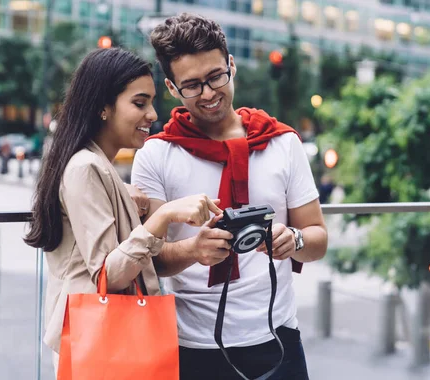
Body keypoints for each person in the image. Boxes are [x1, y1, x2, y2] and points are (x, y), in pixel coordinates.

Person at [131, 13, 328, 380]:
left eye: (215, 77)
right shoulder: (155, 156)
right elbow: (149, 261)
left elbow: (317, 239)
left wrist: (294, 239)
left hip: (278, 338)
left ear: (232, 66)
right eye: (191, 85)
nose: (208, 93)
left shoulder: (282, 143)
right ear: (172, 88)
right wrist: (193, 251)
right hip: (190, 345)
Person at [23, 47, 222, 376]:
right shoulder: (85, 166)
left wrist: (124, 196)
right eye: (139, 103)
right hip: (98, 340)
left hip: (101, 335)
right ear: (103, 107)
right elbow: (107, 275)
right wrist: (162, 216)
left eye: (151, 102)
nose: (152, 114)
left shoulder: (95, 164)